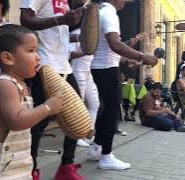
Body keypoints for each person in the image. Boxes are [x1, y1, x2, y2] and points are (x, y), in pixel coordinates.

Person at [0, 24, 63, 179]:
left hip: (17, 167)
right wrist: (47, 107)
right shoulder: (5, 85)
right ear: (8, 58)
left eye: (36, 50)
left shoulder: (21, 85)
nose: (38, 56)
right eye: (30, 50)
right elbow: (16, 121)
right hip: (0, 171)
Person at [86, 0, 158, 171]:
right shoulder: (109, 13)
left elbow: (108, 48)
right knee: (111, 114)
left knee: (105, 113)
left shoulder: (101, 12)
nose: (126, 2)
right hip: (106, 70)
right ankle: (106, 156)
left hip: (100, 68)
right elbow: (115, 45)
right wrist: (143, 56)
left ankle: (96, 148)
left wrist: (128, 60)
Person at [20, 0, 85, 179]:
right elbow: (25, 19)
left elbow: (57, 32)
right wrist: (62, 20)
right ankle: (30, 169)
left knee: (77, 115)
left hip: (64, 65)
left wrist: (75, 32)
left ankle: (66, 167)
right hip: (44, 64)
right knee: (39, 121)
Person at [69, 26, 100, 147]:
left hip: (87, 72)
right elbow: (69, 53)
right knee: (78, 105)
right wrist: (84, 52)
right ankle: (77, 136)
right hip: (77, 71)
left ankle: (88, 133)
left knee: (95, 103)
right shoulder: (77, 33)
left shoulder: (92, 34)